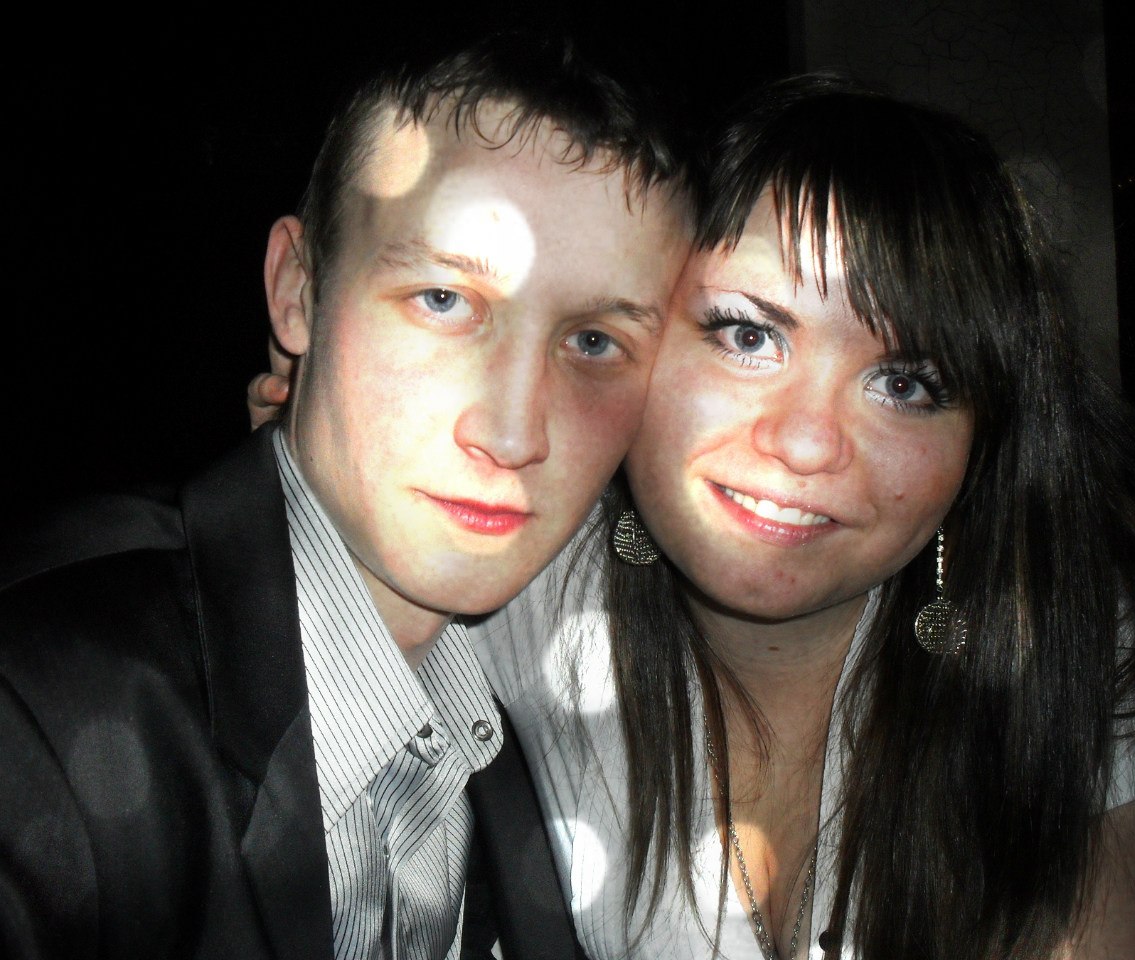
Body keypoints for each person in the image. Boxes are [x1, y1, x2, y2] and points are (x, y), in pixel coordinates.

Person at [248, 78, 1135, 958]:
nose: (809, 443)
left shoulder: (1055, 648)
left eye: (906, 383)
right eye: (749, 334)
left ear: (982, 442)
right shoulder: (513, 575)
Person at [0, 34, 690, 960]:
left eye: (594, 342)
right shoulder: (38, 706)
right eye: (443, 299)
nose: (514, 434)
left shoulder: (542, 720)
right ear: (298, 290)